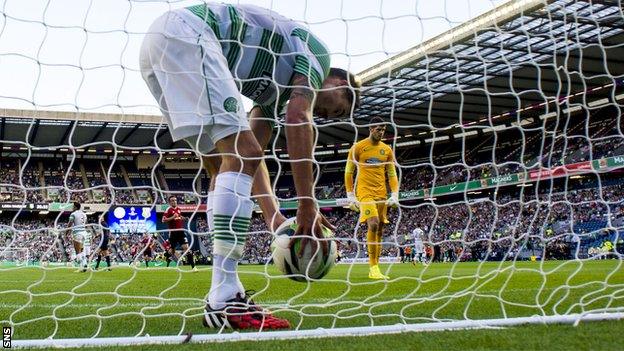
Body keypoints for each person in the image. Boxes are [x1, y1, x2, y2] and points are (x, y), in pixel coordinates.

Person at [140, 2, 360, 330]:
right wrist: (306, 206)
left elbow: (253, 153)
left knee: (222, 163)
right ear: (339, 83)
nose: (330, 117)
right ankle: (225, 297)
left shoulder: (274, 89)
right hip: (190, 34)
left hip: (159, 46)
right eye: (339, 110)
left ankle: (225, 293)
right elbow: (298, 117)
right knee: (241, 152)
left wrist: (274, 218)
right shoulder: (317, 57)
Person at [344, 117, 399, 279]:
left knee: (380, 228)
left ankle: (376, 266)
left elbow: (391, 173)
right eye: (378, 130)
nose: (381, 133)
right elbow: (348, 172)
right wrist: (350, 195)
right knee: (373, 224)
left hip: (381, 193)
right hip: (364, 192)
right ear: (370, 129)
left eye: (383, 130)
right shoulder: (358, 148)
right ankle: (373, 267)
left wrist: (395, 193)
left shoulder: (387, 150)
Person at [162, 196, 197, 271]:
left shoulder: (178, 209)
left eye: (175, 200)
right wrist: (172, 217)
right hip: (173, 233)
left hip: (181, 232)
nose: (174, 202)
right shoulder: (168, 210)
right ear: (169, 202)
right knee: (172, 251)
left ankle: (193, 267)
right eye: (172, 201)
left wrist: (184, 218)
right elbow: (163, 220)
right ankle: (167, 257)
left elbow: (179, 216)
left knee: (186, 249)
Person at [68, 202, 91, 272]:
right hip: (84, 233)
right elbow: (86, 224)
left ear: (75, 207)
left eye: (73, 206)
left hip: (77, 233)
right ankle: (85, 264)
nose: (72, 208)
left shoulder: (73, 214)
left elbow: (69, 224)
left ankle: (81, 267)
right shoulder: (84, 214)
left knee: (77, 251)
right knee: (81, 250)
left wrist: (66, 233)